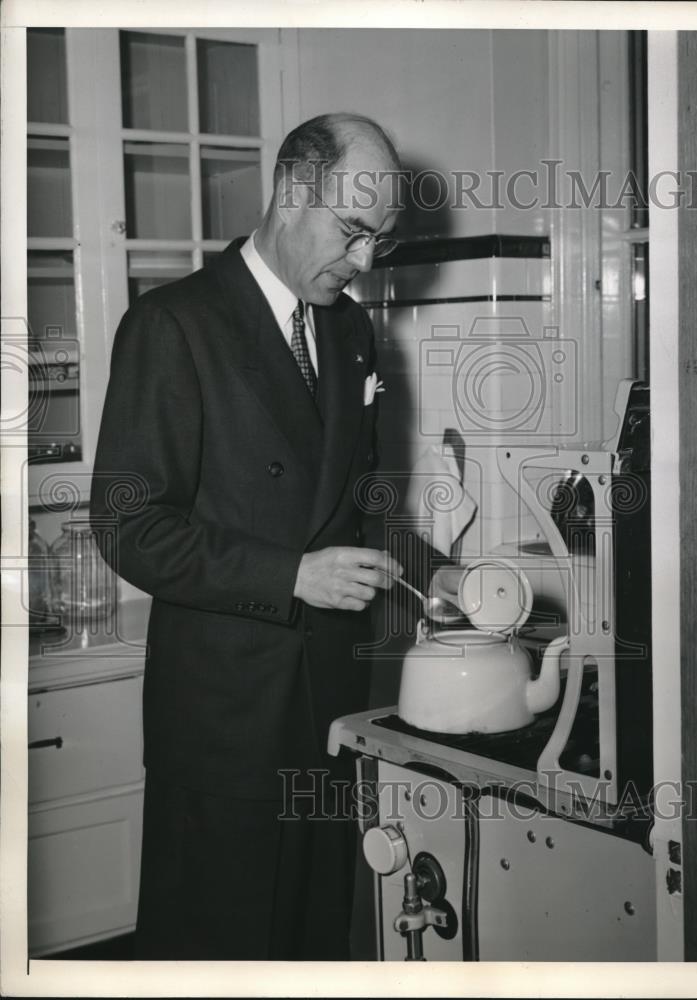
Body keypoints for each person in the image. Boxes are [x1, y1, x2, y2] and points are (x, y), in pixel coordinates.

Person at [90, 112, 456, 960]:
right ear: (293, 191)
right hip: (226, 717)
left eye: (382, 242)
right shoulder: (173, 324)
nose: (365, 262)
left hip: (333, 700)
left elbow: (351, 514)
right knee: (221, 944)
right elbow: (128, 525)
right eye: (354, 232)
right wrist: (289, 574)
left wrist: (437, 575)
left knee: (319, 936)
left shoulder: (351, 331)